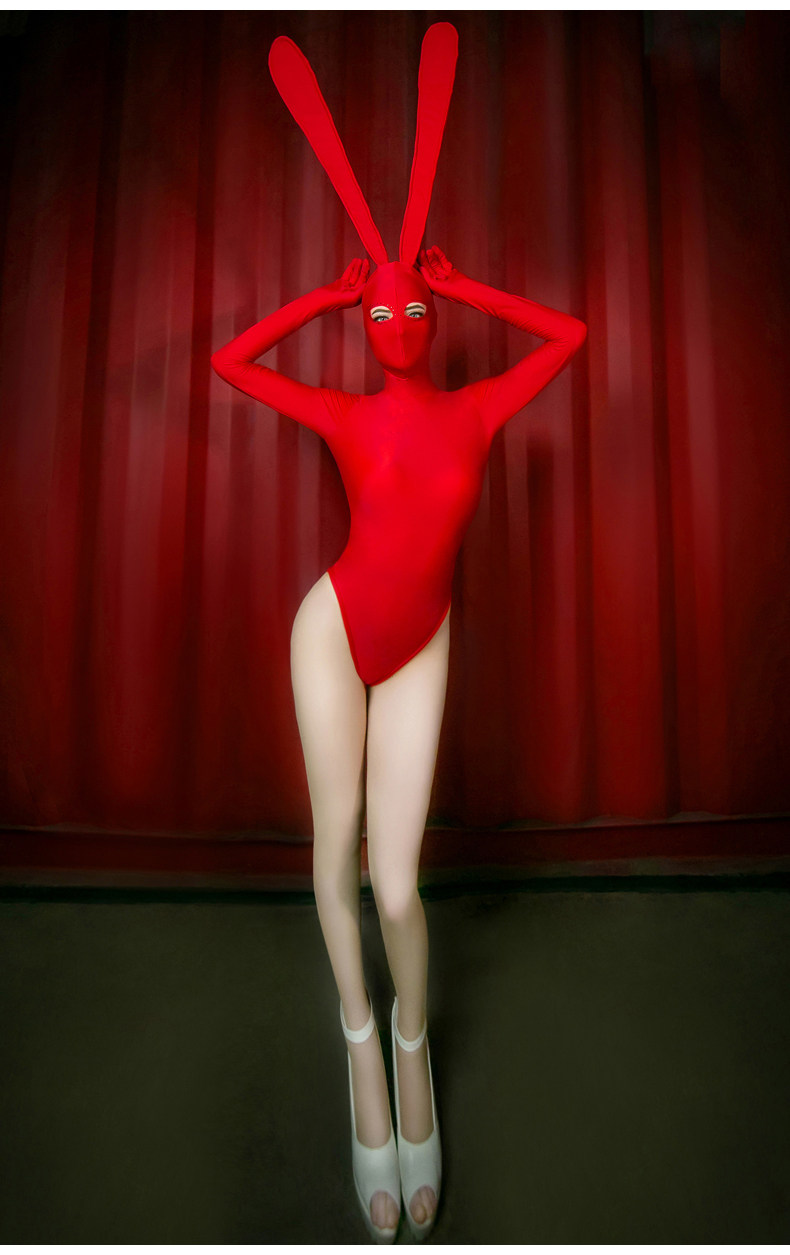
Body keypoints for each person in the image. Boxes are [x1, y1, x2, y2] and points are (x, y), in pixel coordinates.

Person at [211, 243, 586, 1241]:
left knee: (395, 888)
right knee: (336, 855)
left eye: (411, 310)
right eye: (376, 316)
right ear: (363, 328)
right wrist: (319, 299)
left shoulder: (477, 409)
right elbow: (229, 364)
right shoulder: (345, 412)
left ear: (432, 317)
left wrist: (465, 285)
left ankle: (410, 1045)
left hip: (422, 643)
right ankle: (361, 1048)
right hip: (333, 633)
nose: (395, 327)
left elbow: (571, 336)